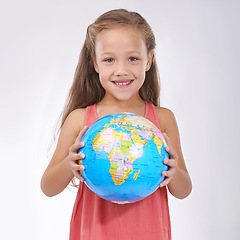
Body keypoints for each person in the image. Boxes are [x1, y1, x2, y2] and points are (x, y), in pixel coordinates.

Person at [41, 9, 192, 240]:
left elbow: (183, 190)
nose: (121, 70)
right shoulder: (80, 120)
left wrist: (173, 171)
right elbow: (48, 187)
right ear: (95, 63)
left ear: (148, 60)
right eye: (109, 59)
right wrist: (69, 165)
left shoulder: (163, 119)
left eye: (133, 58)